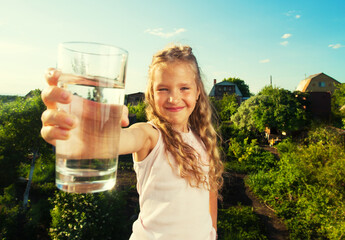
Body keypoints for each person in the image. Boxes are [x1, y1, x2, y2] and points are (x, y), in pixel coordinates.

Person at [41, 44, 224, 240]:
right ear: (152, 95)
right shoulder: (151, 135)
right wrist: (83, 131)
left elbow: (209, 193)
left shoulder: (203, 141)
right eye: (163, 88)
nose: (173, 98)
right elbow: (121, 140)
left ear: (198, 92)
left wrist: (211, 232)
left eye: (184, 88)